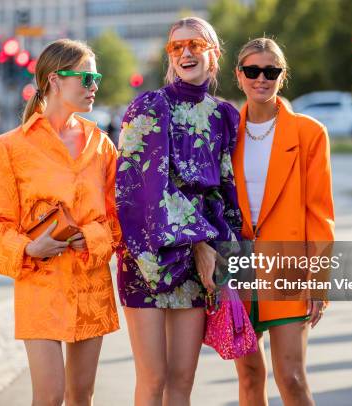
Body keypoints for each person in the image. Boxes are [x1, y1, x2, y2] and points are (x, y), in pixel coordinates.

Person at [0, 39, 121, 406]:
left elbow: (117, 221)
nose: (94, 86)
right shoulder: (8, 148)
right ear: (55, 80)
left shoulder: (103, 145)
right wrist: (30, 247)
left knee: (81, 395)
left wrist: (88, 236)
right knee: (49, 396)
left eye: (97, 78)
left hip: (90, 284)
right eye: (87, 77)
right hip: (39, 282)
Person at [115, 17, 242, 405]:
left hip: (199, 264)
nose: (185, 52)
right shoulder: (149, 106)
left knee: (182, 381)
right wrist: (199, 242)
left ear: (213, 54)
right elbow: (137, 186)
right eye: (176, 47)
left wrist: (227, 257)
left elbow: (225, 189)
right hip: (148, 254)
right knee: (153, 379)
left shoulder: (224, 116)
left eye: (195, 44)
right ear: (170, 57)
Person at [231, 38, 335, 405]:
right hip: (237, 267)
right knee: (248, 377)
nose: (261, 78)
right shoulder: (225, 132)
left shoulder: (309, 133)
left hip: (289, 265)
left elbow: (319, 213)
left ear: (282, 75)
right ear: (238, 75)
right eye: (252, 70)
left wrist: (318, 278)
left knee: (290, 377)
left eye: (271, 71)